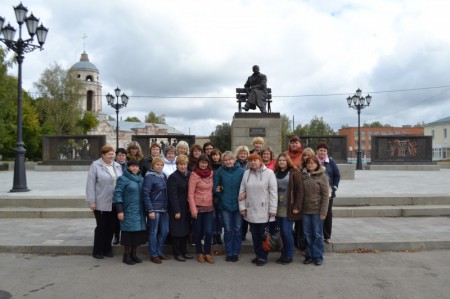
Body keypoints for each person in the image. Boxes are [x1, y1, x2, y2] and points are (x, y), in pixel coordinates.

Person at [238, 153, 277, 266]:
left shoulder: (269, 173)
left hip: (264, 210)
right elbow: (242, 191)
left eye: (255, 160)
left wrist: (273, 209)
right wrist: (242, 207)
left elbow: (273, 192)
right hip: (251, 209)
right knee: (254, 235)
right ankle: (258, 254)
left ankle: (263, 257)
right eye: (251, 161)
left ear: (260, 161)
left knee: (263, 235)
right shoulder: (246, 173)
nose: (253, 163)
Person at [86, 145, 123, 259]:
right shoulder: (95, 165)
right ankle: (97, 250)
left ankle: (107, 249)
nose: (111, 156)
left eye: (112, 154)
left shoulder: (117, 166)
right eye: (109, 154)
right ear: (103, 155)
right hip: (101, 201)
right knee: (101, 226)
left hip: (114, 201)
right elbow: (90, 184)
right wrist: (91, 201)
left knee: (111, 227)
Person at [113, 160, 147, 265]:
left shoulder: (141, 179)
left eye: (137, 166)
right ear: (128, 167)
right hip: (128, 210)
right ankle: (126, 255)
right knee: (128, 233)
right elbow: (117, 194)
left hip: (140, 211)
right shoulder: (122, 179)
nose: (135, 168)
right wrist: (120, 210)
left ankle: (134, 254)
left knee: (137, 234)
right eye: (133, 166)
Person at [213, 151, 245, 262]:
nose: (228, 162)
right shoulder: (219, 171)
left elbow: (245, 187)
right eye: (225, 160)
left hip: (238, 205)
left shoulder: (242, 172)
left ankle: (235, 252)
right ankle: (229, 252)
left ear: (234, 159)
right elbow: (215, 188)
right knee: (227, 229)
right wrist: (217, 190)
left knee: (237, 229)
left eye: (230, 159)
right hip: (225, 205)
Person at [273, 153, 303, 265]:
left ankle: (289, 255)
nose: (281, 162)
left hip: (289, 208)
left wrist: (297, 206)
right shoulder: (275, 173)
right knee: (282, 233)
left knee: (286, 232)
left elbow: (300, 191)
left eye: (284, 160)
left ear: (288, 161)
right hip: (277, 208)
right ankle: (283, 254)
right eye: (279, 160)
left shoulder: (294, 173)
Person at [302, 155, 330, 266]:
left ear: (317, 164)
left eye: (312, 163)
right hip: (305, 211)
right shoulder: (303, 175)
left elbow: (325, 195)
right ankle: (309, 254)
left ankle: (318, 256)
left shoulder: (322, 176)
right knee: (307, 234)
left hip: (317, 211)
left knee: (317, 234)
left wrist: (324, 212)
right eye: (308, 163)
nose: (310, 165)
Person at [188, 154, 215, 264]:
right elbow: (190, 194)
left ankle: (207, 253)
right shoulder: (194, 175)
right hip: (197, 208)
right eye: (201, 162)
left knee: (208, 232)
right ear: (198, 163)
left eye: (205, 162)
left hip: (209, 207)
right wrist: (193, 209)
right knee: (198, 232)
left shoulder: (211, 174)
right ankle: (199, 253)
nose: (203, 164)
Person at [143, 156, 170, 264]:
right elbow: (146, 194)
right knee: (153, 231)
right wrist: (150, 210)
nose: (160, 166)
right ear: (153, 165)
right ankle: (154, 254)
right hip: (154, 208)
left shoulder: (163, 176)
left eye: (162, 165)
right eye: (158, 164)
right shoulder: (149, 177)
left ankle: (160, 251)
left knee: (165, 230)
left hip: (164, 208)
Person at [167, 155, 193, 262]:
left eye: (184, 164)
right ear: (177, 165)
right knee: (177, 232)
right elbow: (172, 195)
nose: (183, 166)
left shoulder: (188, 175)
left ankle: (184, 251)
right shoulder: (173, 177)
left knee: (185, 231)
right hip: (177, 208)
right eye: (181, 164)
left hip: (186, 208)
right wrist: (176, 210)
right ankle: (177, 253)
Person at [316, 142, 340, 244]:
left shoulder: (331, 162)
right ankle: (317, 234)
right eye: (321, 150)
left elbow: (337, 175)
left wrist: (334, 187)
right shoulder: (313, 161)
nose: (322, 152)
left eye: (324, 151)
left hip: (329, 194)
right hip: (315, 194)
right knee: (316, 214)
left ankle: (327, 235)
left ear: (327, 152)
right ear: (317, 151)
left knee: (327, 214)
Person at [294, 147, 316, 251]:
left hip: (312, 203)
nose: (306, 157)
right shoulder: (300, 169)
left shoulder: (316, 169)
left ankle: (311, 249)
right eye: (304, 155)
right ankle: (302, 246)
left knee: (311, 228)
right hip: (302, 202)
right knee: (301, 227)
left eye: (308, 155)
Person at [112, 147, 128, 245]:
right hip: (116, 193)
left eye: (123, 155)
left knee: (125, 216)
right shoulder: (113, 165)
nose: (121, 157)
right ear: (116, 156)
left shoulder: (129, 165)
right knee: (117, 217)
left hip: (127, 193)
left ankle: (125, 236)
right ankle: (116, 236)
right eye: (119, 155)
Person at [234, 145, 249, 240]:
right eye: (241, 153)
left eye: (245, 153)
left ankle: (243, 233)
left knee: (245, 214)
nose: (243, 155)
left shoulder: (250, 164)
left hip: (247, 191)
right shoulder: (234, 164)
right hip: (237, 190)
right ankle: (237, 232)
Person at [210, 148, 223, 246]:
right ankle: (214, 235)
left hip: (220, 194)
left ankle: (219, 235)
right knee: (213, 216)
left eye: (217, 155)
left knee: (219, 216)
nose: (215, 156)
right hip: (210, 194)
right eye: (213, 155)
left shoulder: (222, 167)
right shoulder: (209, 166)